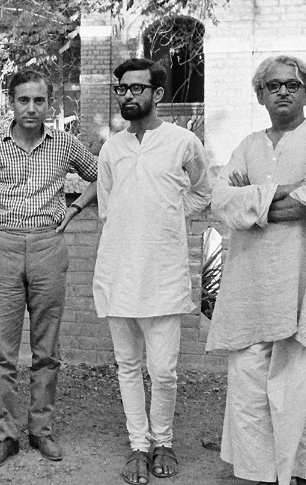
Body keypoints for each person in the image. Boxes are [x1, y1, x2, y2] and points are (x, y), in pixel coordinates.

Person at [207, 56, 306, 485]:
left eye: (292, 84)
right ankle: (259, 474)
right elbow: (219, 199)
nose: (282, 91)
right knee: (248, 383)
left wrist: (254, 199)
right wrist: (285, 191)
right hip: (250, 281)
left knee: (301, 384)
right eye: (273, 85)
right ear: (260, 96)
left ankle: (301, 474)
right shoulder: (249, 145)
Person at [87, 58, 210, 485]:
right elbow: (107, 208)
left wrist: (170, 217)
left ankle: (164, 441)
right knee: (126, 365)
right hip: (118, 270)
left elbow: (202, 193)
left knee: (163, 370)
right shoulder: (112, 148)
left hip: (163, 273)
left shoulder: (183, 142)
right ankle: (138, 445)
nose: (127, 96)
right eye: (122, 89)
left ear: (157, 93)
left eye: (137, 88)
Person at [0, 70, 98, 469]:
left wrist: (75, 208)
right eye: (23, 100)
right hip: (2, 246)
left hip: (47, 245)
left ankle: (41, 429)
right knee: (3, 354)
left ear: (49, 104)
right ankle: (5, 436)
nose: (31, 108)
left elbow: (103, 174)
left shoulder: (64, 143)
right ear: (11, 102)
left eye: (39, 101)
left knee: (47, 349)